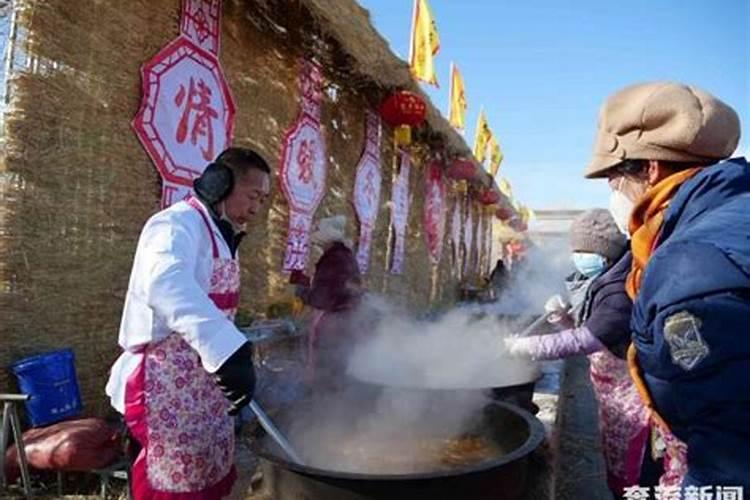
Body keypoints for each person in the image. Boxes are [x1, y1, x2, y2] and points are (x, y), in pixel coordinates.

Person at [584, 81, 749, 488]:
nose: (614, 193)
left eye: (614, 179)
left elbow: (729, 451)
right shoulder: (732, 214)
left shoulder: (687, 270)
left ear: (650, 169)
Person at [105, 147, 271, 499]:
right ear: (220, 184)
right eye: (253, 196)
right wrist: (227, 351)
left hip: (202, 387)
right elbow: (166, 284)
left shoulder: (222, 236)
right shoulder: (174, 224)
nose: (257, 209)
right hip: (163, 383)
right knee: (170, 483)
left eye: (262, 200)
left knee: (205, 474)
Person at [506, 209, 682, 496]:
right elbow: (589, 324)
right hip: (610, 392)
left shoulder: (618, 290)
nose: (576, 256)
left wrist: (528, 346)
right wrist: (560, 318)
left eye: (580, 250)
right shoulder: (603, 279)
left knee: (633, 463)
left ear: (600, 251)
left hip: (630, 393)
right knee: (615, 454)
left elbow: (586, 339)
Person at [302, 215, 365, 390]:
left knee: (328, 370)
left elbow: (324, 297)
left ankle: (323, 403)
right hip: (347, 320)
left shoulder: (332, 259)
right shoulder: (346, 255)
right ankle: (336, 402)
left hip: (334, 323)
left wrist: (304, 294)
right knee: (340, 367)